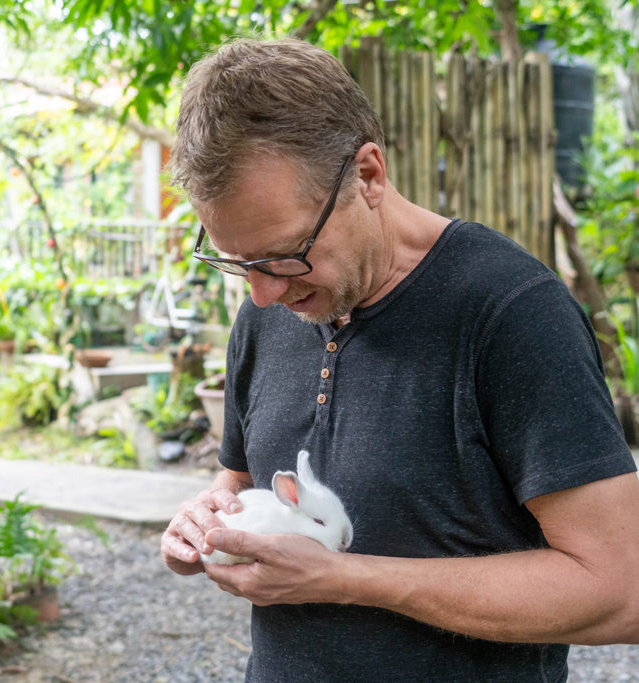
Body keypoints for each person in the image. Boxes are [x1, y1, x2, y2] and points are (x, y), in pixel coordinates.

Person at [159, 37, 639, 681]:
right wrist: (209, 521)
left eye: (284, 254)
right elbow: (239, 483)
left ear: (368, 176)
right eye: (238, 262)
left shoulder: (513, 313)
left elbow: (618, 591)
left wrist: (349, 579)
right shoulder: (267, 307)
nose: (264, 292)